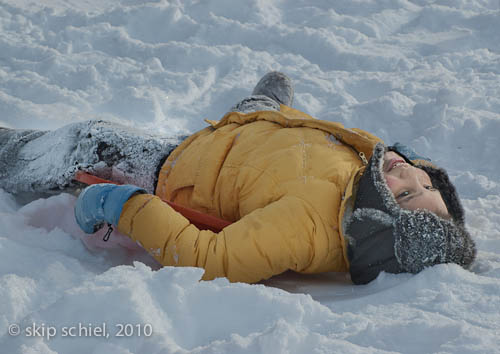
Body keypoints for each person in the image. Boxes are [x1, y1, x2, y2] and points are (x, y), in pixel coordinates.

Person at [1, 72, 476, 284]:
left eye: (409, 193)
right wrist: (274, 118)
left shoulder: (306, 227)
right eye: (428, 183)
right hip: (257, 134)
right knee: (270, 115)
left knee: (90, 138)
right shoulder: (368, 169)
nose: (412, 174)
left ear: (381, 219)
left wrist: (122, 205)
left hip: (185, 167)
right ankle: (260, 107)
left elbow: (211, 261)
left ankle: (12, 153)